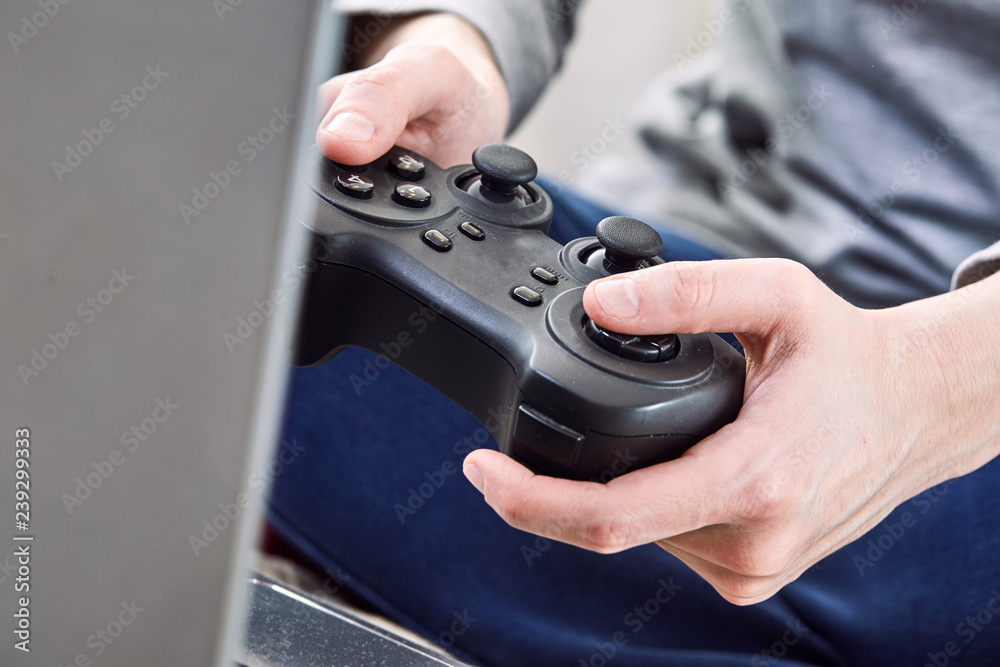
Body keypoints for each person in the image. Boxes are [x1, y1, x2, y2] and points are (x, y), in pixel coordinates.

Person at [267, 2, 1000, 664]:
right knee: (244, 236)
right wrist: (453, 42)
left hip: (967, 365)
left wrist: (927, 383)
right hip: (690, 241)